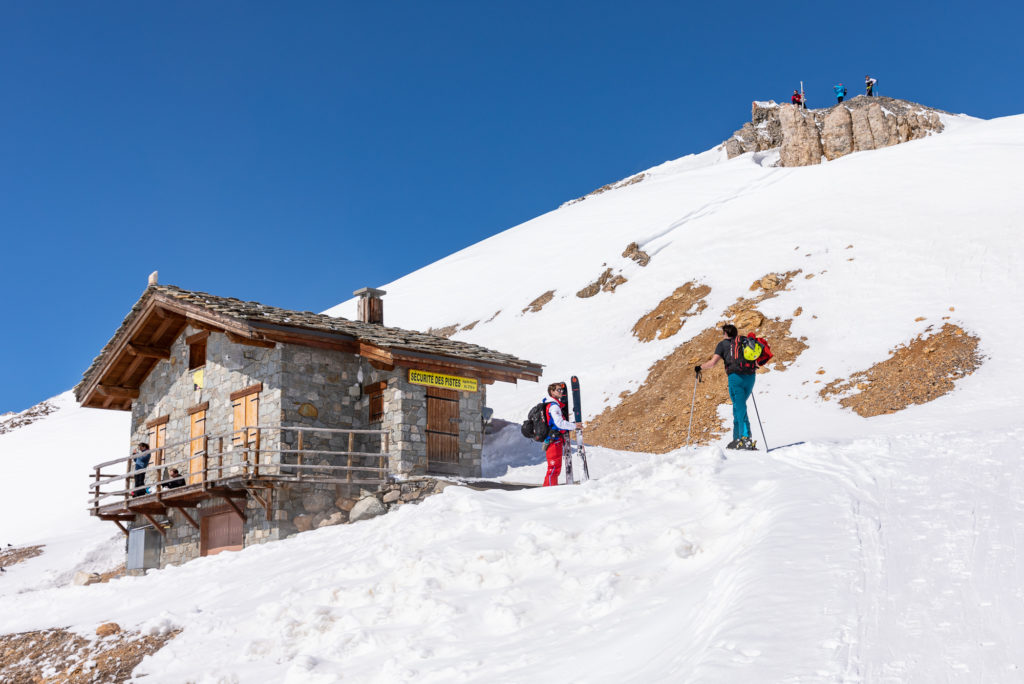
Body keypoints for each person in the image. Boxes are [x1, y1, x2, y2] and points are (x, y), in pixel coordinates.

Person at [695, 324, 762, 450]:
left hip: (735, 378)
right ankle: (737, 438)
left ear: (725, 333)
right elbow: (756, 361)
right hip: (750, 377)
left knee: (740, 407)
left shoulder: (723, 345)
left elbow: (712, 363)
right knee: (738, 406)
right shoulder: (744, 342)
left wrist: (700, 367)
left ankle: (745, 438)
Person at [541, 383, 582, 486]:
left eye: (561, 390)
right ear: (552, 392)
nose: (561, 392)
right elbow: (559, 423)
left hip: (553, 440)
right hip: (554, 441)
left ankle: (549, 491)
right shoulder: (553, 406)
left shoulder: (550, 404)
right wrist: (574, 426)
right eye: (558, 390)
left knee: (554, 469)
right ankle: (548, 493)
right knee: (553, 469)